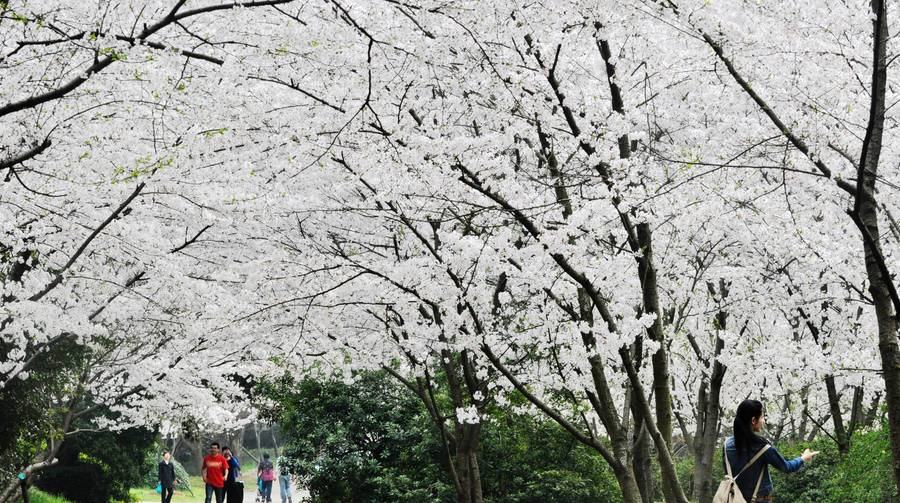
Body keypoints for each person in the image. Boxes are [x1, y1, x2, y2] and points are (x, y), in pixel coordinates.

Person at [724, 399, 820, 502]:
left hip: (733, 499)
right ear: (753, 420)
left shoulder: (727, 445)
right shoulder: (763, 448)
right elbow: (787, 467)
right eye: (762, 417)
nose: (764, 421)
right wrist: (803, 458)